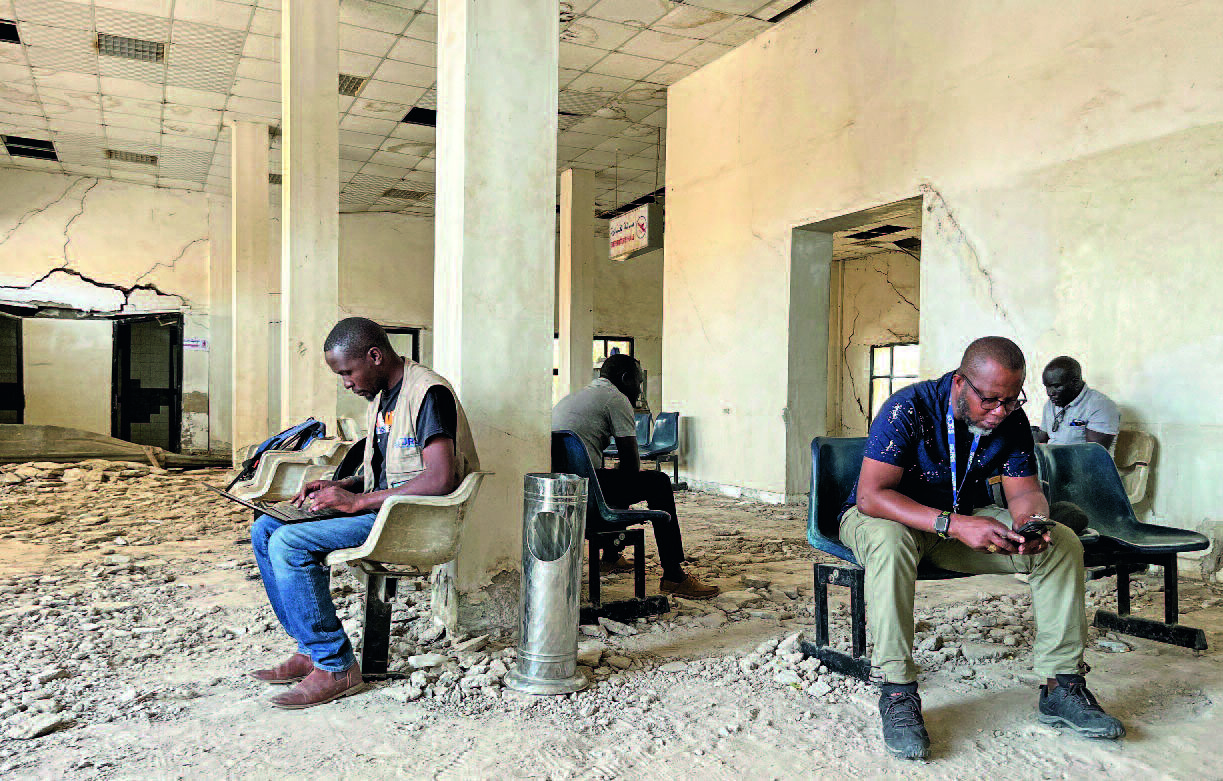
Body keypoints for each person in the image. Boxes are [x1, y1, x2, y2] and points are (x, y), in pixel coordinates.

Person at [840, 336, 1124, 760]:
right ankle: (897, 692)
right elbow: (871, 496)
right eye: (990, 400)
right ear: (959, 383)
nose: (1000, 412)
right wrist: (952, 524)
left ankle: (1061, 686)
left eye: (1011, 400)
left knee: (1061, 543)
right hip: (887, 519)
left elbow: (1024, 492)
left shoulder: (1009, 421)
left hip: (960, 523)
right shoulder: (908, 408)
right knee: (890, 541)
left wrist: (1032, 524)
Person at [248, 317, 480, 709]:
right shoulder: (381, 399)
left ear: (374, 356)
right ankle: (310, 648)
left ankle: (336, 666)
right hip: (385, 511)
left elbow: (439, 479)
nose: (347, 383)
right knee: (266, 529)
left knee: (290, 543)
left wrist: (356, 504)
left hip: (415, 519)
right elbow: (382, 475)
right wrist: (342, 487)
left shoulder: (429, 392)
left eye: (347, 372)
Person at [552, 353, 719, 600]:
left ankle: (610, 556)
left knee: (615, 480)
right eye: (638, 382)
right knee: (658, 482)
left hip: (564, 492)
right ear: (625, 378)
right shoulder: (615, 399)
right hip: (588, 493)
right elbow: (632, 465)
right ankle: (673, 575)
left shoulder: (576, 397)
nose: (639, 390)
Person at [1036, 356, 1120, 451]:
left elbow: (1094, 456)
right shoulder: (1050, 404)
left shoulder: (1101, 406)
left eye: (1056, 386)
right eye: (1047, 386)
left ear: (1075, 383)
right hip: (1053, 462)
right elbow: (1041, 440)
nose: (1050, 393)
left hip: (1080, 464)